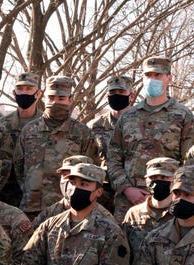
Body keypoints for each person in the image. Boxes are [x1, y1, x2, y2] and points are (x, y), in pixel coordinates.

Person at [108, 56, 194, 222]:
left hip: (169, 202)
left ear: (169, 78)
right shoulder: (128, 117)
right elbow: (113, 158)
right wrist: (127, 188)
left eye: (157, 75)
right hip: (128, 203)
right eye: (148, 75)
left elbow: (189, 163)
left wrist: (175, 192)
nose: (152, 79)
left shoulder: (184, 116)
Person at [14, 75, 99, 218]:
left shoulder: (82, 132)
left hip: (68, 209)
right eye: (51, 98)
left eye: (61, 99)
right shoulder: (29, 130)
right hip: (31, 208)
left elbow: (91, 169)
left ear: (70, 99)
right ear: (44, 98)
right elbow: (18, 167)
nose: (55, 103)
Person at [0, 72, 42, 206]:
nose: (24, 93)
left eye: (29, 89)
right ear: (14, 93)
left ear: (38, 93)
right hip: (5, 194)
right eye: (20, 89)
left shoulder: (45, 124)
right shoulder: (2, 124)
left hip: (36, 195)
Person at [87, 75, 135, 164]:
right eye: (112, 92)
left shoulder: (143, 123)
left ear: (131, 96)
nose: (116, 95)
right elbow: (88, 160)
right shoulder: (94, 126)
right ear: (107, 97)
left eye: (121, 92)